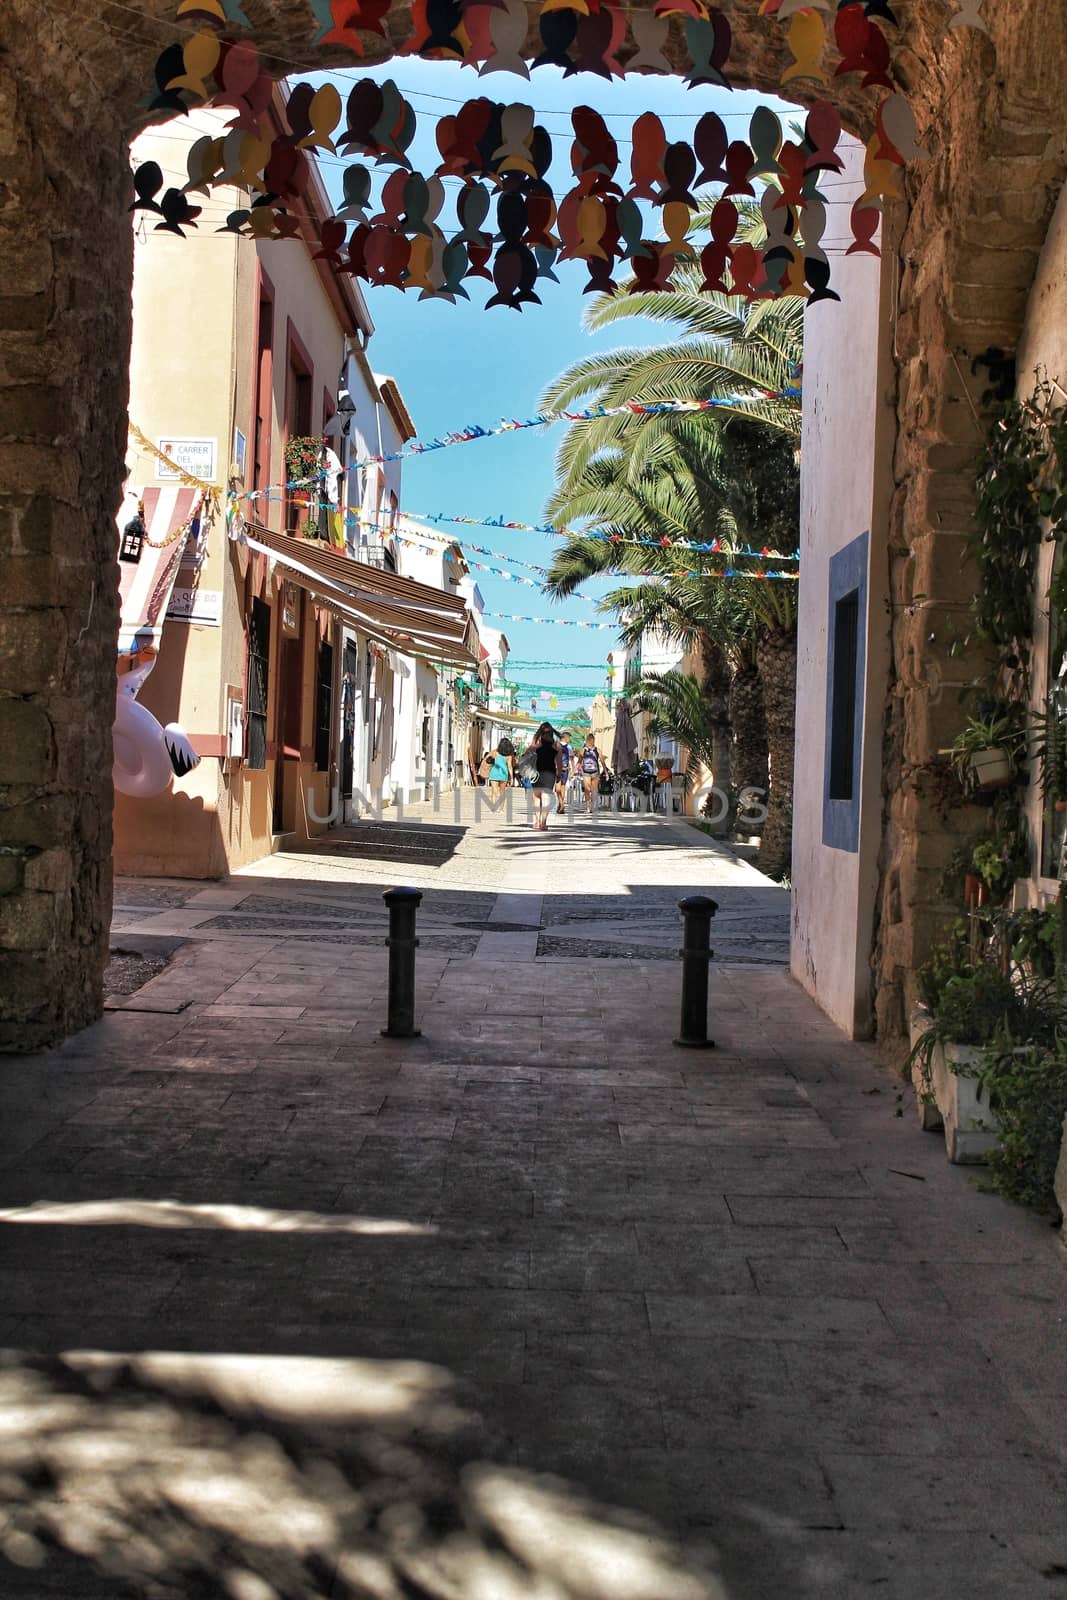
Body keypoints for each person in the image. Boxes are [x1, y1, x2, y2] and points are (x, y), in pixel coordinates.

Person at [524, 724, 559, 831]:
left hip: (536, 772)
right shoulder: (556, 746)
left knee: (536, 796)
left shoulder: (535, 744)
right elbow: (559, 763)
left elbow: (526, 755)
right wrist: (559, 775)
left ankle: (537, 821)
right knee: (546, 796)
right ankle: (543, 823)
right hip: (550, 773)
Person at [578, 733, 604, 815]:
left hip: (586, 772)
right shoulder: (598, 750)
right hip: (595, 772)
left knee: (587, 790)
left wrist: (572, 772)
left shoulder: (583, 750)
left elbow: (579, 762)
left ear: (587, 740)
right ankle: (593, 807)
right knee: (594, 790)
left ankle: (588, 808)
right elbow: (602, 762)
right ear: (593, 740)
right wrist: (606, 772)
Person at [486, 736, 514, 801]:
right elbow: (510, 767)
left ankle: (493, 808)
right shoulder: (509, 756)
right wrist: (512, 778)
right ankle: (501, 810)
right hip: (504, 774)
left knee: (494, 792)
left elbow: (487, 758)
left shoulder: (495, 752)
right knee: (502, 793)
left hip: (494, 773)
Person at [555, 728, 574, 814]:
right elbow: (571, 760)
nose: (569, 739)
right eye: (569, 737)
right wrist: (572, 770)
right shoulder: (567, 747)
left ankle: (561, 804)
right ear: (565, 737)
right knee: (561, 788)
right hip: (563, 769)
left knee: (559, 788)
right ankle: (561, 804)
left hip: (559, 768)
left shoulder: (557, 745)